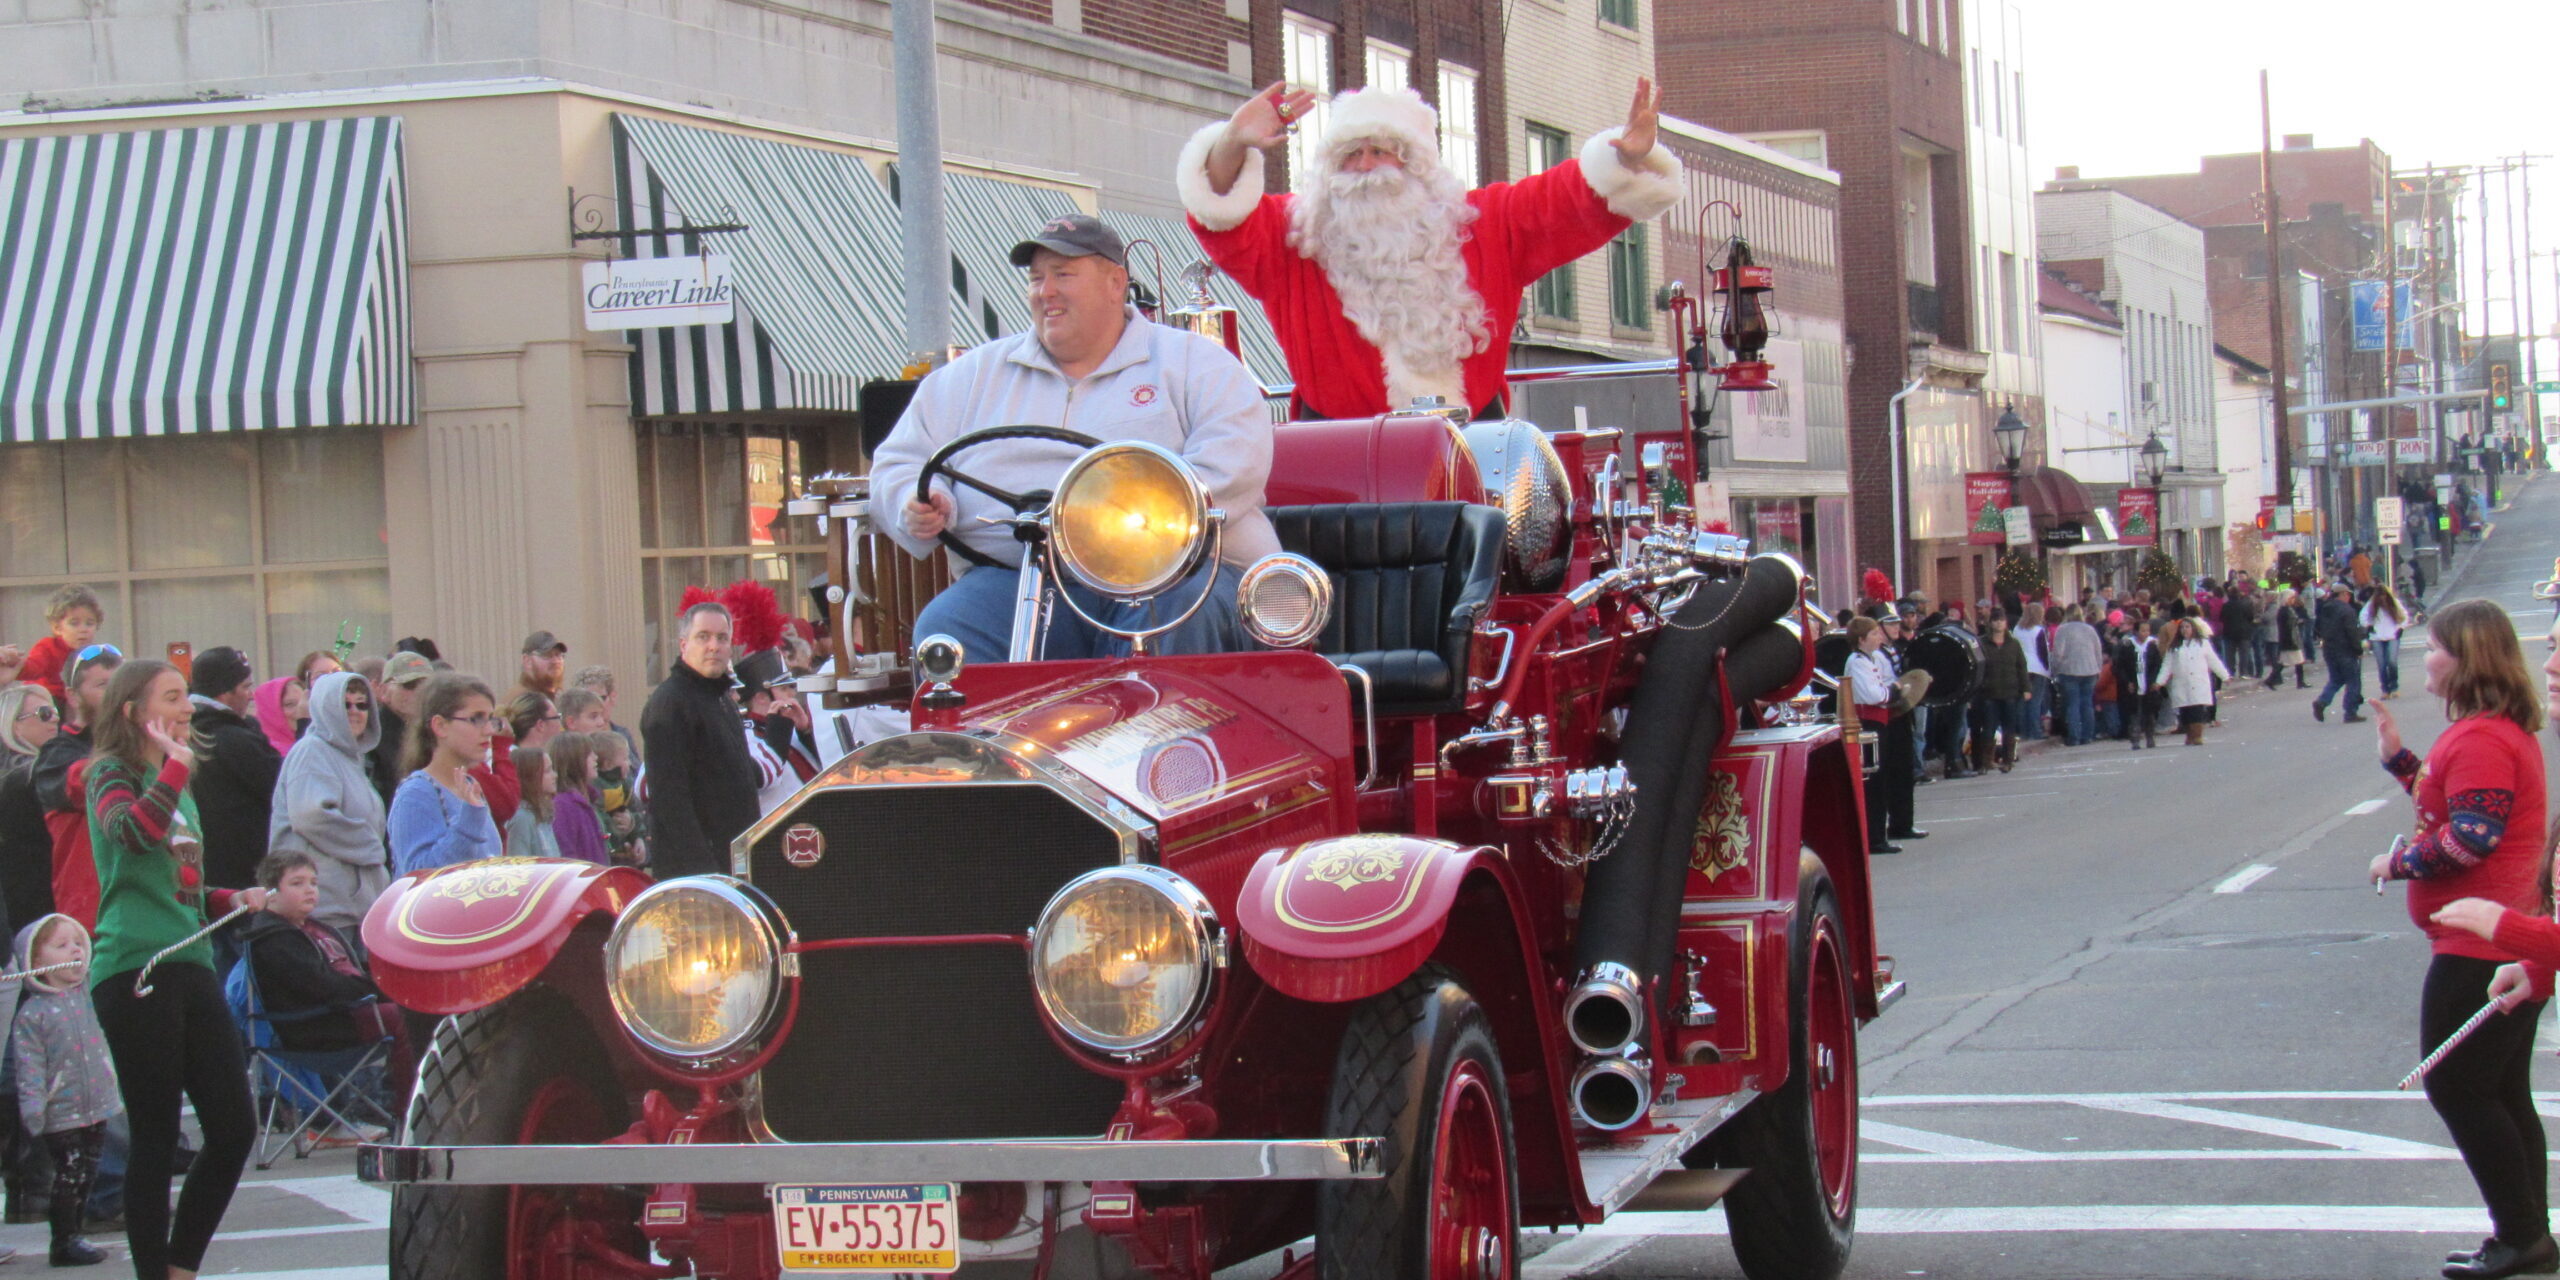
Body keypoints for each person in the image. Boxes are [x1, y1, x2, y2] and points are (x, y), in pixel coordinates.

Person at [866, 214, 1273, 662]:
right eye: (1037, 278)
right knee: (948, 630)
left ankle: (1152, 731)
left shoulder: (1198, 365)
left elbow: (1235, 465)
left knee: (1166, 614)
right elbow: (900, 462)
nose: (1046, 291)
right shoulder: (970, 377)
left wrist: (1110, 525)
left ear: (1116, 283)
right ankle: (989, 736)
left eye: (1063, 274)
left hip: (1171, 576)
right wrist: (920, 499)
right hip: (1013, 578)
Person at [1179, 80, 1683, 418]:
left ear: (1419, 167)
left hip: (1474, 458)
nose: (1367, 166)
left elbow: (1567, 200)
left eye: (1384, 152)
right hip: (1337, 469)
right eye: (1351, 154)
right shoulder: (1296, 235)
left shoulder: (1485, 225)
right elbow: (1224, 217)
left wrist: (1625, 161)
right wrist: (1230, 145)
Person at [2364, 599, 2551, 1279]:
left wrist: (2397, 864)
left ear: (2467, 657)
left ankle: (2521, 1232)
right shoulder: (2491, 734)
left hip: (2482, 942)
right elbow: (2458, 804)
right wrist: (2402, 762)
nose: (2427, 656)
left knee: (2459, 1087)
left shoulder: (2481, 737)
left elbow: (2471, 837)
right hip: (2498, 936)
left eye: (2437, 646)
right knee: (2500, 1090)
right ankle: (2527, 1229)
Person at [84, 659, 272, 1280]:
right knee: (157, 1132)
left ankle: (179, 1265)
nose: (187, 709)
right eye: (172, 698)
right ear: (134, 711)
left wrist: (229, 898)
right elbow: (132, 835)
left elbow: (176, 882)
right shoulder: (110, 771)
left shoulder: (178, 781)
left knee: (232, 1126)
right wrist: (173, 770)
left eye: (188, 698)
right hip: (135, 965)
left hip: (187, 958)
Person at [238, 850, 407, 1111]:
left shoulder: (314, 927)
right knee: (407, 1018)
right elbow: (323, 986)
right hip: (317, 1025)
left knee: (419, 1007)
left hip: (347, 1009)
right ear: (270, 894)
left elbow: (350, 973)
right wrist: (386, 989)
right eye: (297, 883)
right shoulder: (273, 938)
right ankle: (407, 1111)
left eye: (313, 883)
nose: (310, 890)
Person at [9, 913, 116, 1266]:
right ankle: (64, 1239)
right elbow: (30, 1068)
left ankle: (76, 1233)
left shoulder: (87, 993)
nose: (74, 950)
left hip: (96, 1104)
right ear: (36, 962)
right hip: (61, 1111)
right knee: (69, 1174)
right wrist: (33, 1108)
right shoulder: (33, 1014)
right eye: (61, 945)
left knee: (88, 1172)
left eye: (77, 943)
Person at [640, 603, 761, 878]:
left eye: (722, 638)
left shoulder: (723, 701)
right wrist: (704, 873)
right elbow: (670, 800)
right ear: (684, 645)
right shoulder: (670, 704)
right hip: (697, 873)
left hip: (735, 862)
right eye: (703, 636)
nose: (713, 646)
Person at [267, 671, 389, 934]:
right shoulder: (312, 751)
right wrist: (369, 847)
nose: (355, 711)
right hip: (325, 912)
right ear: (325, 707)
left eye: (362, 704)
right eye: (345, 704)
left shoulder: (350, 760)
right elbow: (312, 815)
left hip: (355, 910)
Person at [35, 646, 121, 931]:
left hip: (152, 908)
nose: (116, 695)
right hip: (92, 917)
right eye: (102, 685)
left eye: (121, 685)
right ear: (73, 696)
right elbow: (82, 784)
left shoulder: (151, 744)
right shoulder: (58, 752)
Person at [186, 647, 283, 894]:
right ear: (224, 692)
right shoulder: (236, 740)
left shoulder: (186, 732)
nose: (251, 695)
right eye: (245, 687)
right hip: (242, 879)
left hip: (204, 875)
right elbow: (284, 789)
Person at [387, 676, 506, 876]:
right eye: (476, 719)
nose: (489, 730)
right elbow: (419, 877)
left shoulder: (469, 785)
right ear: (440, 726)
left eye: (491, 719)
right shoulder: (417, 793)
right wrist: (469, 821)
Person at [1842, 617, 1914, 854]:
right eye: (1873, 634)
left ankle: (1877, 835)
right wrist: (1892, 691)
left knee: (1880, 779)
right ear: (1861, 639)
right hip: (1868, 722)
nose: (1878, 637)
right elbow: (1874, 695)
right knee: (1873, 781)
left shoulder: (1869, 659)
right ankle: (1874, 838)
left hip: (1877, 721)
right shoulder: (1858, 662)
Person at [0, 684, 62, 926]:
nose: (55, 719)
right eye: (44, 713)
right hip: (36, 899)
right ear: (14, 724)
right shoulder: (28, 777)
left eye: (56, 711)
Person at [18, 585, 103, 708]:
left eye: (89, 623)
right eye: (74, 623)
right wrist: (16, 667)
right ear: (57, 628)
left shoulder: (94, 654)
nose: (83, 630)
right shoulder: (48, 647)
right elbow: (33, 668)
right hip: (46, 701)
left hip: (74, 703)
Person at [369, 651, 435, 806]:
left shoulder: (435, 733)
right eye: (409, 685)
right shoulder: (373, 736)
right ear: (384, 690)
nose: (419, 692)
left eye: (427, 686)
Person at [2158, 617, 2231, 747]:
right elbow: (2167, 666)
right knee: (2185, 711)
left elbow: (2213, 661)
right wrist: (2159, 682)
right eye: (2182, 627)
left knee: (2197, 710)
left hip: (2198, 682)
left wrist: (2225, 676)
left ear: (2193, 629)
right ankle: (2189, 735)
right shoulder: (2174, 647)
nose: (2185, 630)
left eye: (2187, 627)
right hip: (2182, 683)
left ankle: (2197, 736)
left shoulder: (2202, 643)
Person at [1972, 615, 2028, 773]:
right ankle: (1985, 762)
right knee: (1988, 728)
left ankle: (2007, 760)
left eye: (2002, 620)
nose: (1998, 623)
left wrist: (2026, 688)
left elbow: (2021, 667)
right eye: (1995, 620)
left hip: (2010, 691)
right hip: (1989, 693)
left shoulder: (2013, 644)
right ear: (1990, 623)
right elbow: (1977, 667)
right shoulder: (1982, 644)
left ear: (2006, 623)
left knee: (2009, 728)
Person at [546, 735, 611, 865]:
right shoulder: (563, 805)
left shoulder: (587, 801)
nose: (595, 757)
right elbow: (566, 854)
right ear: (573, 760)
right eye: (589, 753)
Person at [2312, 582, 2369, 723]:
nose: (2349, 597)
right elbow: (2352, 633)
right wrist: (2358, 649)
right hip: (2345, 650)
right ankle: (2350, 712)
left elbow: (2317, 627)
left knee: (2336, 679)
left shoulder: (2324, 609)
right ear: (2343, 594)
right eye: (2348, 594)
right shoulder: (2347, 610)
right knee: (2353, 681)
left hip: (2329, 649)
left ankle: (2322, 701)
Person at [2051, 605, 2104, 747]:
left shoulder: (2062, 630)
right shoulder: (2090, 629)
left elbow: (2058, 653)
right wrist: (2098, 668)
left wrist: (2055, 669)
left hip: (2069, 670)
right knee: (2087, 703)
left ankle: (2074, 737)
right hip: (2090, 669)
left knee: (2072, 703)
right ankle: (2088, 735)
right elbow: (2098, 651)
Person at [591, 732, 644, 867]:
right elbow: (600, 818)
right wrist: (619, 831)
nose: (630, 763)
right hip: (611, 850)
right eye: (625, 759)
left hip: (626, 845)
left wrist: (637, 835)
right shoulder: (597, 787)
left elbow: (636, 810)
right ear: (608, 765)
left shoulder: (625, 784)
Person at [500, 746, 560, 861]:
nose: (555, 775)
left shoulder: (542, 813)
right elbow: (518, 865)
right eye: (547, 771)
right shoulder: (521, 818)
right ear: (529, 777)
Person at [2113, 618, 2164, 750]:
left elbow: (2157, 665)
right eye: (2142, 630)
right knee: (2134, 713)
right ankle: (2135, 738)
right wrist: (2127, 681)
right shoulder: (2128, 646)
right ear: (2136, 631)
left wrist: (2154, 680)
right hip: (2133, 682)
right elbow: (2120, 666)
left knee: (2150, 712)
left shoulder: (2152, 645)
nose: (2145, 633)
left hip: (2148, 682)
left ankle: (2150, 736)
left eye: (2147, 630)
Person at [2365, 584, 2408, 699]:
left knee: (2392, 662)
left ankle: (2394, 687)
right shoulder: (2371, 605)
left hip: (2392, 636)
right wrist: (2369, 627)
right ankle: (2385, 689)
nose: (2382, 598)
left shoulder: (2394, 603)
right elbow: (2363, 617)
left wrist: (2401, 628)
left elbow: (2404, 616)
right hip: (2377, 637)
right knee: (2382, 664)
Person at [2015, 604, 2051, 741]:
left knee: (2023, 701)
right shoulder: (2038, 630)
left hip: (2021, 667)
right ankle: (2035, 731)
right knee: (2035, 701)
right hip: (2037, 667)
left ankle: (2024, 731)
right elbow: (2042, 652)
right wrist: (2047, 668)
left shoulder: (2017, 629)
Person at [252, 676, 304, 759]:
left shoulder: (312, 744)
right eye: (290, 704)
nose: (301, 709)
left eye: (303, 702)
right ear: (270, 712)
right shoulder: (265, 753)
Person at [515, 632, 568, 702]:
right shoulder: (522, 702)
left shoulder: (555, 696)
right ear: (527, 661)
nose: (555, 661)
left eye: (558, 655)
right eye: (547, 655)